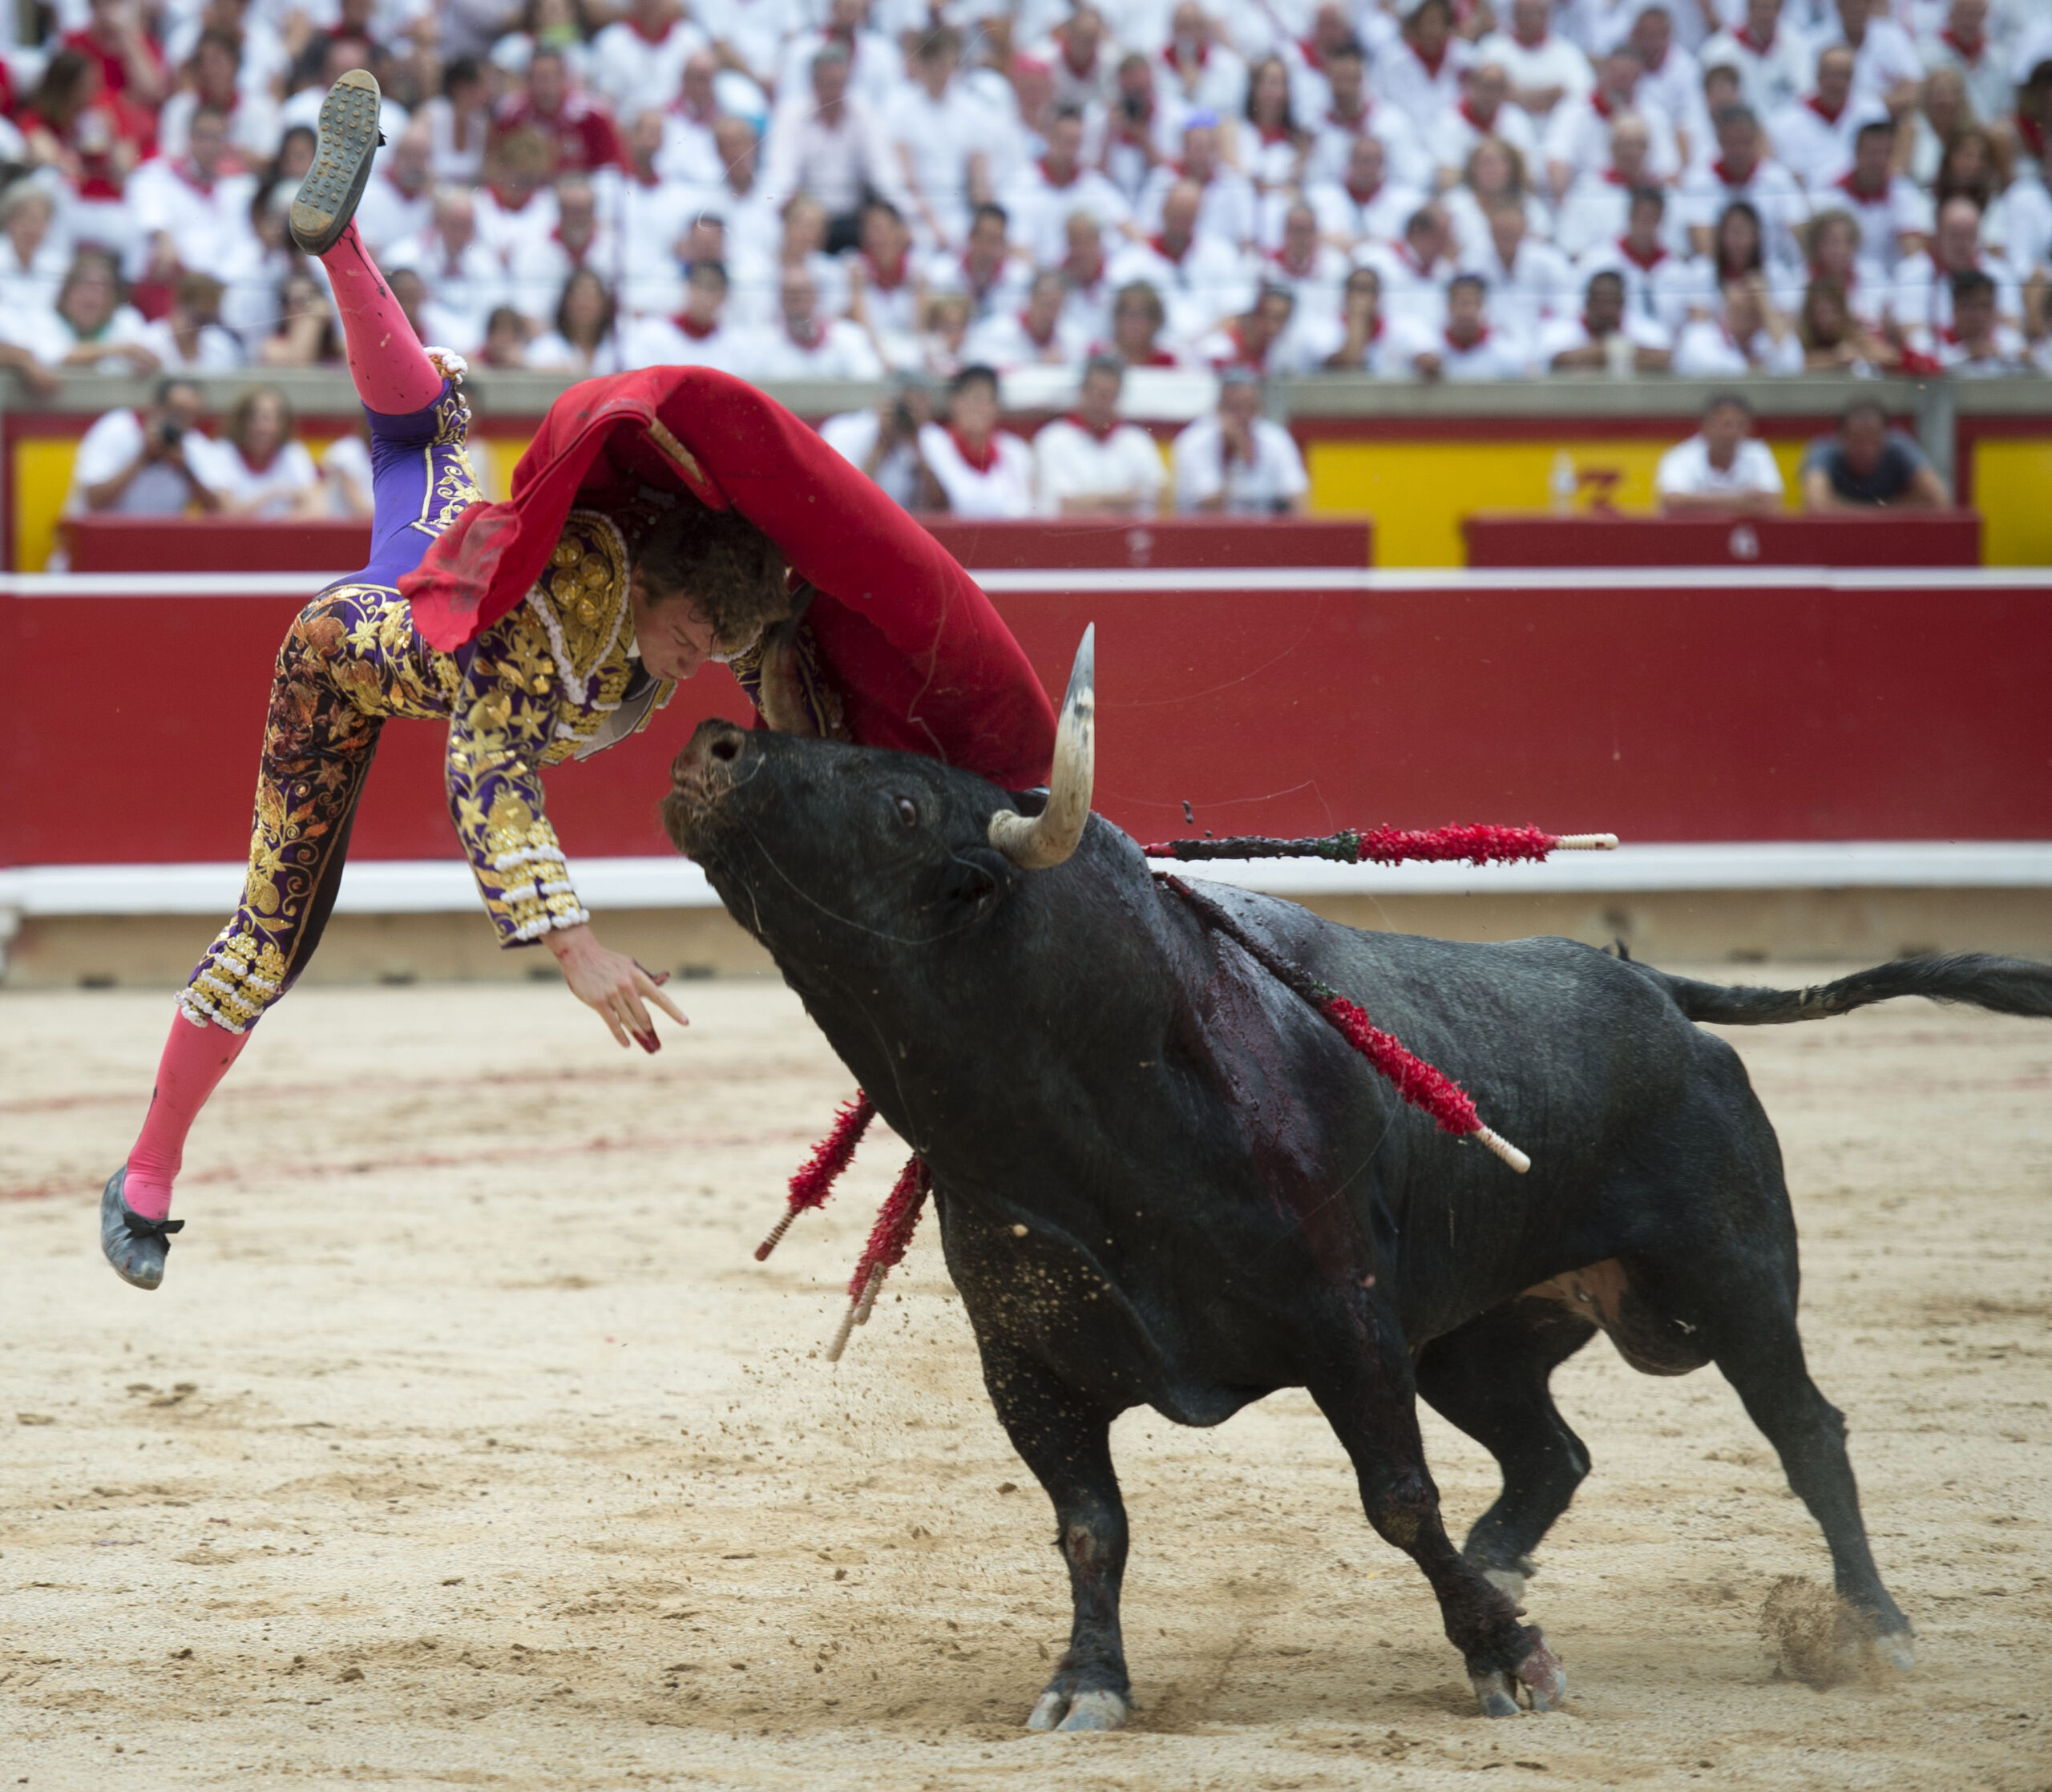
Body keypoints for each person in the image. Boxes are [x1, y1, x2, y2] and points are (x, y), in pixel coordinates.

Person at [101, 71, 1057, 1295]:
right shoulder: (561, 617)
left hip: (434, 573)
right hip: (347, 663)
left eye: (718, 643)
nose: (695, 660)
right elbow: (483, 768)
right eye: (694, 634)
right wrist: (574, 945)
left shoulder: (684, 612)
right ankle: (145, 1182)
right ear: (657, 584)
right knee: (265, 940)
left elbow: (777, 654)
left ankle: (339, 242)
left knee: (432, 419)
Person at [63, 377, 218, 519]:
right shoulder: (116, 429)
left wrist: (185, 470)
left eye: (191, 415)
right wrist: (143, 457)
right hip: (97, 542)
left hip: (156, 544)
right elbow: (93, 500)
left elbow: (218, 510)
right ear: (155, 407)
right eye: (177, 412)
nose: (182, 421)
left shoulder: (194, 444)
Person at [1032, 357, 1166, 518]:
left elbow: (1158, 496)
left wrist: (1090, 502)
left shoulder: (1137, 441)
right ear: (1082, 390)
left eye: (1108, 395)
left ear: (1119, 395)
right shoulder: (1052, 440)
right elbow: (1060, 505)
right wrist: (1124, 500)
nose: (1100, 403)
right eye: (1096, 393)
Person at [1172, 369, 1309, 515]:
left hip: (1264, 533)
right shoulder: (1194, 442)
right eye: (1235, 408)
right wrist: (1235, 457)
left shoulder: (1275, 438)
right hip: (1210, 535)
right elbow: (1210, 510)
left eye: (1250, 408)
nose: (1243, 416)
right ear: (1219, 409)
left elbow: (1298, 497)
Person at [918, 363, 1036, 519]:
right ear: (953, 402)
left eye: (983, 399)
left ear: (996, 407)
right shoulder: (931, 440)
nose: (975, 407)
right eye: (968, 398)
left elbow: (1028, 509)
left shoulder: (1015, 451)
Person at [190, 384, 323, 517]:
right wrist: (272, 495)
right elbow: (226, 512)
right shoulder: (221, 453)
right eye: (254, 419)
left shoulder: (293, 453)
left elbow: (317, 508)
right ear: (241, 422)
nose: (262, 428)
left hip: (284, 537)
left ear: (283, 425)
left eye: (270, 419)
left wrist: (275, 530)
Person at [818, 373, 943, 511]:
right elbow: (847, 501)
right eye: (902, 406)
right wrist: (882, 441)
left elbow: (941, 508)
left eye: (916, 406)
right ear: (883, 402)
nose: (905, 414)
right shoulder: (844, 431)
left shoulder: (931, 436)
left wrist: (916, 444)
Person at [1800, 401, 1950, 511]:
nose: (1866, 449)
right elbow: (1815, 505)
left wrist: (1844, 508)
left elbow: (1940, 500)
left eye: (1874, 441)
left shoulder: (1900, 447)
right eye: (1857, 440)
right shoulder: (1824, 450)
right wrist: (1888, 511)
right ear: (1841, 438)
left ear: (1887, 437)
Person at [1654, 394, 1784, 514]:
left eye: (1740, 425)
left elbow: (1773, 505)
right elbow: (1673, 503)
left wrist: (1697, 503)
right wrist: (1740, 501)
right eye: (1726, 425)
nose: (1732, 433)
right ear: (1706, 426)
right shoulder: (1680, 456)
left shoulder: (1758, 453)